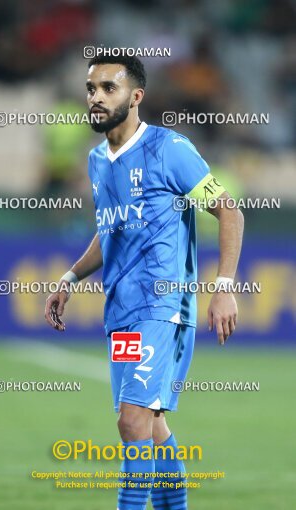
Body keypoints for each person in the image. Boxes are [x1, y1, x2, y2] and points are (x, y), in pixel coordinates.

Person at [45, 55, 244, 510]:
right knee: (151, 427)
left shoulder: (168, 149)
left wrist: (225, 285)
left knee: (132, 423)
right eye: (91, 87)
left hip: (163, 305)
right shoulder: (98, 160)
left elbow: (229, 211)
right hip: (122, 309)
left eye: (108, 88)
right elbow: (109, 229)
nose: (95, 97)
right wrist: (71, 275)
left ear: (135, 97)